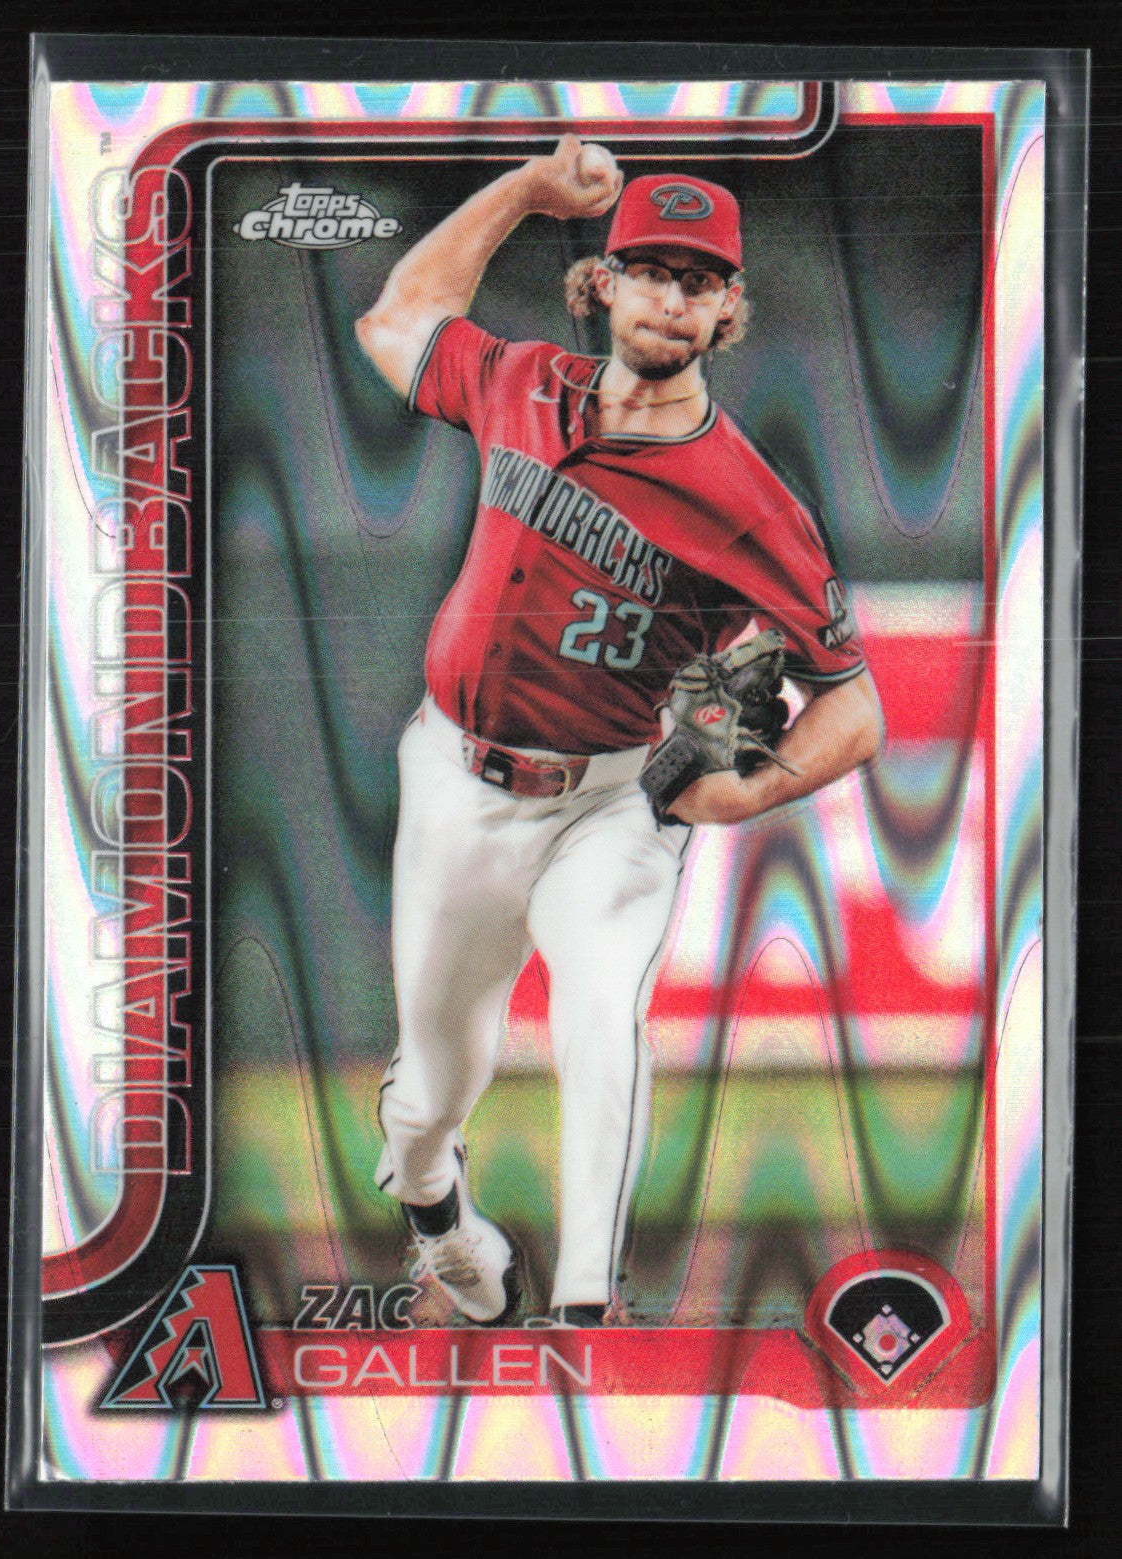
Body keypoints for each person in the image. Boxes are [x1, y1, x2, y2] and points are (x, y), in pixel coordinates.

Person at [356, 136, 882, 1328]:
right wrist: (523, 191)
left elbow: (854, 705)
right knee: (429, 1093)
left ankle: (588, 1306)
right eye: (649, 269)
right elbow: (395, 318)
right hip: (455, 779)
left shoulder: (750, 502)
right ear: (600, 282)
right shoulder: (519, 381)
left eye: (699, 279)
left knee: (601, 1009)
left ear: (728, 308)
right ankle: (437, 1212)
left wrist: (745, 791)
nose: (672, 296)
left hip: (611, 799)